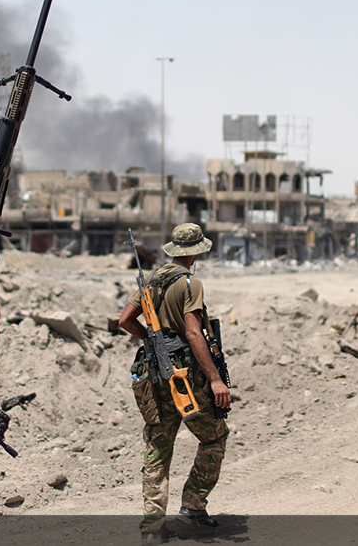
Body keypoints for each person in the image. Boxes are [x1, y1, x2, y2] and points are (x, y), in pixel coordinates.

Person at [118, 223, 231, 546]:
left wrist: (154, 343)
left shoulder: (152, 281)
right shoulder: (190, 283)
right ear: (195, 252)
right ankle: (194, 504)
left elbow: (125, 320)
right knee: (214, 437)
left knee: (158, 448)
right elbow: (194, 333)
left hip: (155, 375)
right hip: (186, 376)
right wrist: (215, 379)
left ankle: (152, 528)